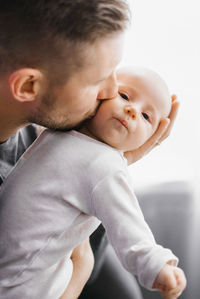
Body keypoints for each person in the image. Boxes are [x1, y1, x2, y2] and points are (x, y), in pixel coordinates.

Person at [0, 1, 179, 298]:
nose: (111, 92)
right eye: (98, 81)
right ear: (29, 86)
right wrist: (79, 271)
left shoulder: (47, 139)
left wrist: (104, 167)